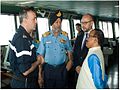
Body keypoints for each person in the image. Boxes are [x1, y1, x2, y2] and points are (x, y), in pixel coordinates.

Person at [37, 10, 73, 89]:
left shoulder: (65, 36)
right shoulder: (45, 37)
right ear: (52, 23)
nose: (59, 24)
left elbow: (70, 51)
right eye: (56, 22)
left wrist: (67, 67)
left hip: (62, 69)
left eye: (60, 22)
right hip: (48, 70)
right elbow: (40, 56)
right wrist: (40, 75)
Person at [9, 7, 40, 88]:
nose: (36, 22)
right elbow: (25, 71)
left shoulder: (24, 37)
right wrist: (38, 61)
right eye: (34, 19)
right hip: (24, 84)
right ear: (25, 20)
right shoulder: (22, 39)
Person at [73, 13, 94, 86]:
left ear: (91, 23)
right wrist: (76, 66)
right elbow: (74, 53)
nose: (83, 25)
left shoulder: (96, 37)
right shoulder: (79, 36)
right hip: (78, 72)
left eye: (85, 23)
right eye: (82, 23)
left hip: (89, 73)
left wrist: (84, 68)